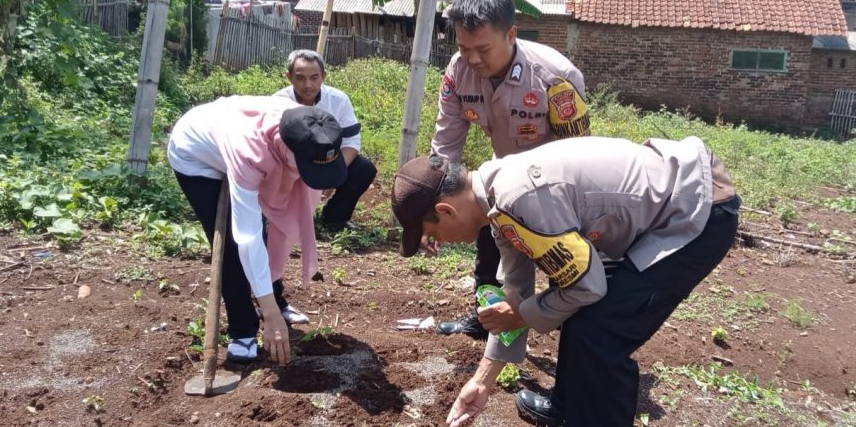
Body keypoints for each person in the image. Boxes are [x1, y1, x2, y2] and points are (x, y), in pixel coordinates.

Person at [391, 135, 741, 426]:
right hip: (675, 192)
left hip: (697, 208)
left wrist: (525, 314)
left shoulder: (518, 200)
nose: (441, 243)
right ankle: (570, 412)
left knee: (602, 330)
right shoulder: (496, 201)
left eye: (433, 234)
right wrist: (482, 381)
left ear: (445, 211)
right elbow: (517, 295)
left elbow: (587, 287)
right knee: (578, 309)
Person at [431, 0, 589, 340]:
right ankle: (484, 317)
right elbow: (446, 143)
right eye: (463, 48)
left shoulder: (555, 77)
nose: (472, 59)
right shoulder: (458, 73)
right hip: (502, 176)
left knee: (565, 264)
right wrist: (433, 207)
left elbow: (578, 153)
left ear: (511, 35)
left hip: (554, 187)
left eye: (483, 49)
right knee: (488, 239)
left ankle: (565, 329)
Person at [167, 95, 347, 364]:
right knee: (231, 244)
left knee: (267, 235)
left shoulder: (307, 127)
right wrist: (271, 317)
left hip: (251, 149)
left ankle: (273, 301)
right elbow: (247, 238)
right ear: (290, 152)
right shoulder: (250, 151)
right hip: (197, 156)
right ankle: (243, 330)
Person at [274, 49, 377, 232]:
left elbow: (351, 141)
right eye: (300, 78)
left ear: (324, 76)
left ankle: (334, 220)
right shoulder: (279, 103)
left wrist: (332, 173)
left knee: (363, 168)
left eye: (314, 78)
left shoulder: (338, 100)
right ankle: (279, 217)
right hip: (290, 162)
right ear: (289, 77)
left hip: (328, 158)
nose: (308, 85)